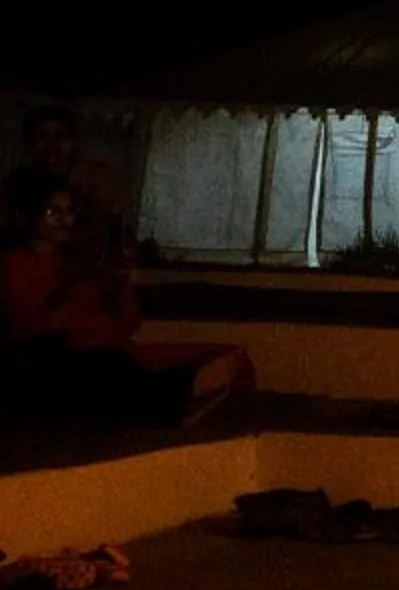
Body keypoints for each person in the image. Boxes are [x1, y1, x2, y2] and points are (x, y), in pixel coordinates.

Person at [3, 178, 253, 427]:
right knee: (102, 370)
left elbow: (126, 324)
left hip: (119, 352)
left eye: (70, 212)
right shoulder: (16, 263)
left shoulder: (78, 261)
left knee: (231, 359)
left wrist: (121, 277)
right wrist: (74, 281)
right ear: (29, 215)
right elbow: (33, 328)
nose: (65, 220)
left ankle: (177, 401)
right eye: (53, 212)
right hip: (70, 360)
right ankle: (171, 408)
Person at [5, 104, 127, 267]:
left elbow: (104, 232)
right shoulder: (17, 182)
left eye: (60, 136)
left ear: (73, 141)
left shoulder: (95, 177)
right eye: (41, 137)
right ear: (29, 145)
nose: (51, 145)